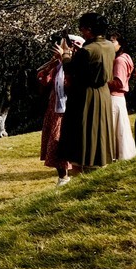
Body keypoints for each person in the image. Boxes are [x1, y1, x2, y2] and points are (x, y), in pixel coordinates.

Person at [55, 12, 116, 172]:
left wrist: (65, 54)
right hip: (103, 93)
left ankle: (83, 165)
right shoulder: (109, 45)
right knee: (99, 131)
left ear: (88, 29)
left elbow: (71, 69)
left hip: (85, 95)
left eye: (82, 28)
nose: (81, 31)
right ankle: (98, 160)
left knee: (82, 132)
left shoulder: (87, 50)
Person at [38, 32, 84, 185]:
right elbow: (43, 79)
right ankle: (62, 176)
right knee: (54, 142)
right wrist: (52, 63)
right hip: (55, 107)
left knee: (62, 141)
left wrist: (65, 61)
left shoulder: (75, 64)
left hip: (70, 108)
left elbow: (72, 83)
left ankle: (71, 174)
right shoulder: (57, 65)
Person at [108, 33, 136, 161]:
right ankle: (122, 155)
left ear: (120, 44)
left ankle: (120, 155)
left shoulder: (120, 60)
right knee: (120, 127)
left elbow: (119, 83)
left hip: (115, 97)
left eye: (113, 42)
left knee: (117, 128)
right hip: (118, 98)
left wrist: (103, 81)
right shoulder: (125, 58)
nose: (110, 44)